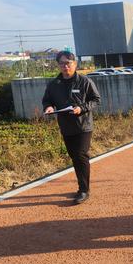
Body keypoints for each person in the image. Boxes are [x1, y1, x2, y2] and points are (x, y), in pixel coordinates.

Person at [42, 51, 101, 205]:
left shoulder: (84, 81)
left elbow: (95, 100)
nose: (65, 66)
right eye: (62, 63)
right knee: (75, 157)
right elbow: (47, 100)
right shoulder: (54, 84)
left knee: (81, 155)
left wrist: (82, 108)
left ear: (75, 64)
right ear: (58, 65)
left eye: (68, 63)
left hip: (83, 126)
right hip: (66, 126)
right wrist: (48, 107)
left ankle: (83, 190)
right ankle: (82, 185)